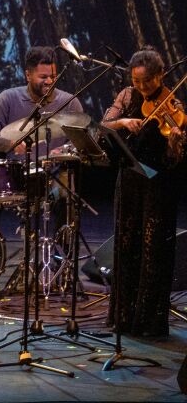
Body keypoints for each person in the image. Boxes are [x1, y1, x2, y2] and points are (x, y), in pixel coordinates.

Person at [102, 47, 184, 337]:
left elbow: (176, 159)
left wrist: (175, 141)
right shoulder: (126, 96)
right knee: (126, 247)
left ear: (160, 75)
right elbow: (104, 126)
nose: (141, 87)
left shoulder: (173, 103)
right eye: (136, 81)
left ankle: (148, 322)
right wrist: (124, 122)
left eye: (147, 81)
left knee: (153, 251)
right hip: (130, 179)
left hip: (159, 185)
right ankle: (123, 318)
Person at [0, 45, 84, 158]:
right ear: (28, 75)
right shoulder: (8, 98)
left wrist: (63, 151)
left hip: (58, 172)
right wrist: (10, 143)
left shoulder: (70, 102)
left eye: (53, 76)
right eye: (43, 77)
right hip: (18, 172)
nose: (49, 81)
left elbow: (81, 140)